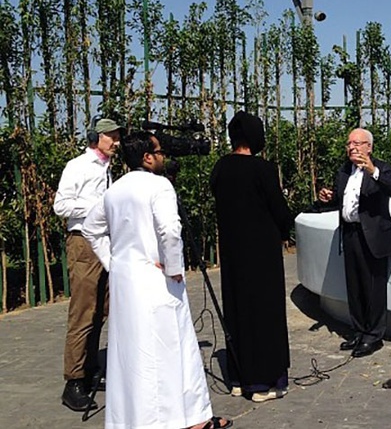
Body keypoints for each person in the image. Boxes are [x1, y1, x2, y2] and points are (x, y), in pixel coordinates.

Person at [82, 131, 232, 429]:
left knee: (132, 353)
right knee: (174, 348)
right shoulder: (159, 185)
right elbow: (169, 230)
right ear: (147, 157)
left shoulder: (115, 190)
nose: (164, 156)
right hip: (156, 279)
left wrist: (113, 262)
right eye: (160, 151)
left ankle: (135, 420)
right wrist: (174, 266)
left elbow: (90, 228)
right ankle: (189, 419)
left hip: (126, 282)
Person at [210, 111, 293, 402]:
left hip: (233, 254)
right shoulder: (262, 169)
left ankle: (238, 378)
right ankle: (264, 382)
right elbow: (279, 211)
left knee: (237, 311)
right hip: (262, 255)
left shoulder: (220, 168)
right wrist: (286, 227)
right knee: (264, 315)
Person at [53, 117, 122, 411]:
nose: (116, 142)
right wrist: (97, 207)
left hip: (104, 242)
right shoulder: (78, 166)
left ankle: (92, 368)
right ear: (97, 137)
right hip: (83, 242)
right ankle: (74, 382)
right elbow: (61, 205)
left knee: (101, 309)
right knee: (82, 311)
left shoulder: (108, 169)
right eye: (112, 137)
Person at [318, 127, 391, 358]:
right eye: (349, 144)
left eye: (357, 143)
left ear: (369, 147)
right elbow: (343, 199)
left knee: (373, 287)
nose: (351, 147)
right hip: (351, 233)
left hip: (373, 236)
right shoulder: (344, 171)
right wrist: (329, 197)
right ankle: (358, 330)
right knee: (354, 286)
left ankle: (374, 336)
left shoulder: (381, 168)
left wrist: (372, 170)